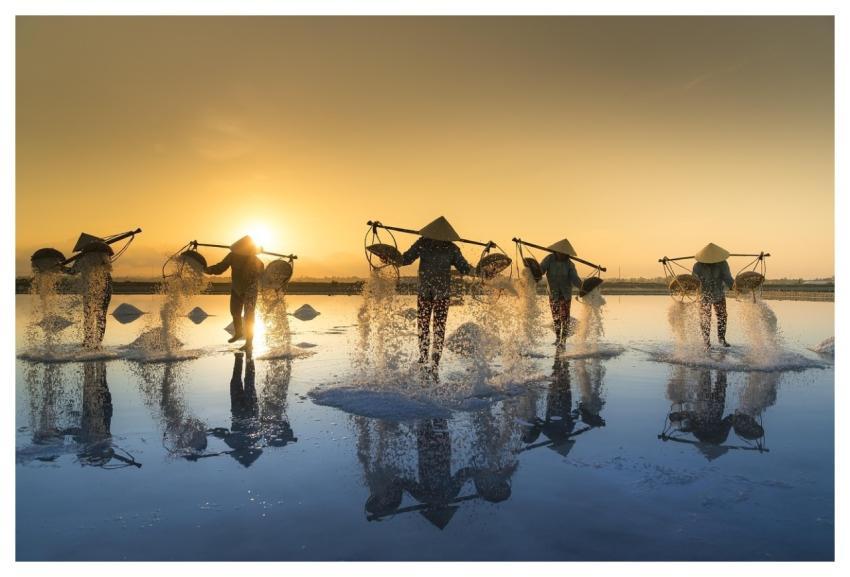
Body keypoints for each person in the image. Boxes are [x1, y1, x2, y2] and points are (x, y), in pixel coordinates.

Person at [400, 217, 473, 375]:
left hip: (437, 294)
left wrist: (477, 270)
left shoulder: (444, 247)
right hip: (429, 293)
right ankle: (427, 359)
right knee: (430, 327)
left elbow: (464, 268)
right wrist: (391, 257)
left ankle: (432, 361)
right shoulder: (426, 244)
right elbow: (404, 259)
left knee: (431, 328)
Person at [205, 236, 265, 353]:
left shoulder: (256, 260)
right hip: (236, 288)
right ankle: (238, 333)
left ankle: (249, 343)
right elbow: (220, 268)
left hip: (250, 291)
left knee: (249, 317)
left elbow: (262, 275)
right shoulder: (232, 256)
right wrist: (207, 270)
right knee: (235, 312)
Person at [70, 241, 114, 350]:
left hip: (104, 289)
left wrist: (60, 268)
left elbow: (72, 271)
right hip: (91, 290)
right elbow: (72, 271)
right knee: (92, 316)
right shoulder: (83, 258)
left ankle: (96, 342)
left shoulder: (102, 257)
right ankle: (90, 341)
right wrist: (59, 268)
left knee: (98, 316)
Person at [539, 239, 582, 346]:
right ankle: (558, 338)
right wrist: (534, 270)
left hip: (565, 293)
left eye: (565, 254)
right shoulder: (549, 259)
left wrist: (583, 287)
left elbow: (574, 278)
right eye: (561, 253)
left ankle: (563, 340)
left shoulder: (569, 264)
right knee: (556, 317)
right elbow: (541, 270)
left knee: (565, 318)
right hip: (553, 293)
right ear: (556, 251)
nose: (563, 255)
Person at [692, 243, 734, 349]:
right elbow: (694, 282)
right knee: (705, 318)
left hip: (718, 293)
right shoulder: (697, 266)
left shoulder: (722, 264)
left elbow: (728, 278)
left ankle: (722, 339)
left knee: (722, 316)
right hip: (704, 295)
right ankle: (706, 342)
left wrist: (735, 287)